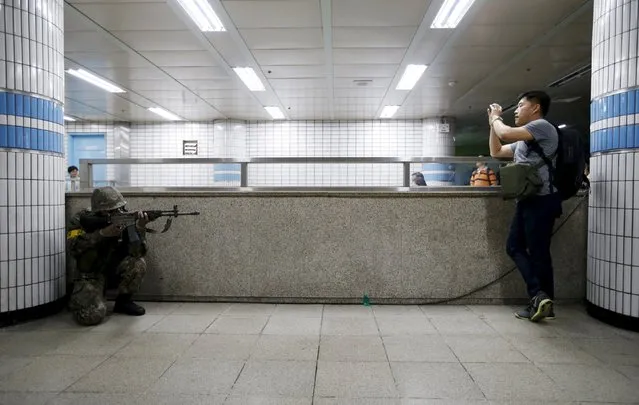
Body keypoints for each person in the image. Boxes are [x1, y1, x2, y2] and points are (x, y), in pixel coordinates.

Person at [487, 90, 562, 322]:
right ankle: (540, 297)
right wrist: (492, 124)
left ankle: (540, 299)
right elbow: (496, 151)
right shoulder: (524, 140)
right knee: (514, 247)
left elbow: (506, 132)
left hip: (543, 200)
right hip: (527, 200)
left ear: (536, 107)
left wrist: (496, 119)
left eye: (521, 105)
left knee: (538, 253)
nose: (517, 110)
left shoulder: (543, 127)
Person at [67, 186, 151, 326]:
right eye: (112, 210)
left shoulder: (125, 217)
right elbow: (73, 247)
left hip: (115, 269)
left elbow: (138, 252)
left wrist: (140, 228)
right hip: (91, 274)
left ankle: (123, 302)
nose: (118, 212)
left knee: (138, 263)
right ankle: (80, 297)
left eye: (120, 208)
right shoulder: (81, 219)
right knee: (91, 317)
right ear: (100, 210)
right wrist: (102, 234)